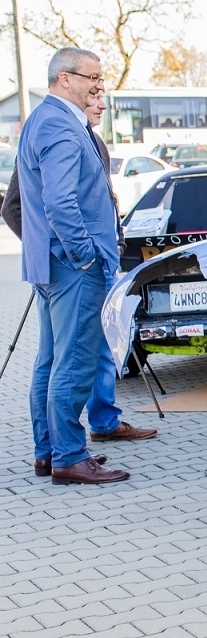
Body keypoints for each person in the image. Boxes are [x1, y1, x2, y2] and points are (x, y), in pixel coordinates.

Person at [16, 50, 131, 484]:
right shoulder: (60, 125)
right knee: (75, 362)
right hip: (72, 267)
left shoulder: (43, 120)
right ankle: (69, 455)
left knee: (50, 360)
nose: (99, 85)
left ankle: (49, 451)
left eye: (101, 77)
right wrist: (85, 254)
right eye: (92, 77)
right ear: (65, 79)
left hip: (51, 265)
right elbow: (60, 202)